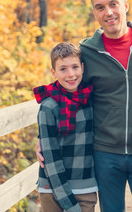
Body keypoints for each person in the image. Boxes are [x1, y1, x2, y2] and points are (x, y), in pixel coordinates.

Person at [36, 0, 132, 212]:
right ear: (94, 12)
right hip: (104, 154)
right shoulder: (86, 52)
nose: (109, 12)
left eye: (113, 4)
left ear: (125, 5)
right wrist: (42, 136)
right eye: (100, 7)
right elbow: (64, 91)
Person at [33, 42, 98, 212]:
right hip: (52, 189)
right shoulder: (49, 106)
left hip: (85, 186)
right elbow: (51, 159)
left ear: (82, 68)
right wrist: (69, 204)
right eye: (63, 69)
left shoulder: (91, 100)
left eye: (75, 67)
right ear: (53, 72)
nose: (70, 74)